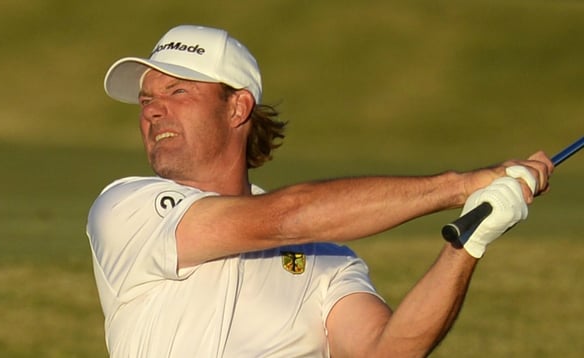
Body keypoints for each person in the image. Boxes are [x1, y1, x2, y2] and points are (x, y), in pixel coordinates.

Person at [87, 24, 553, 357]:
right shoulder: (128, 208)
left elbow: (388, 350)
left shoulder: (325, 258)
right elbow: (284, 217)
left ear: (237, 108)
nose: (152, 110)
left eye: (178, 92)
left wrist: (467, 243)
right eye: (148, 100)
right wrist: (459, 186)